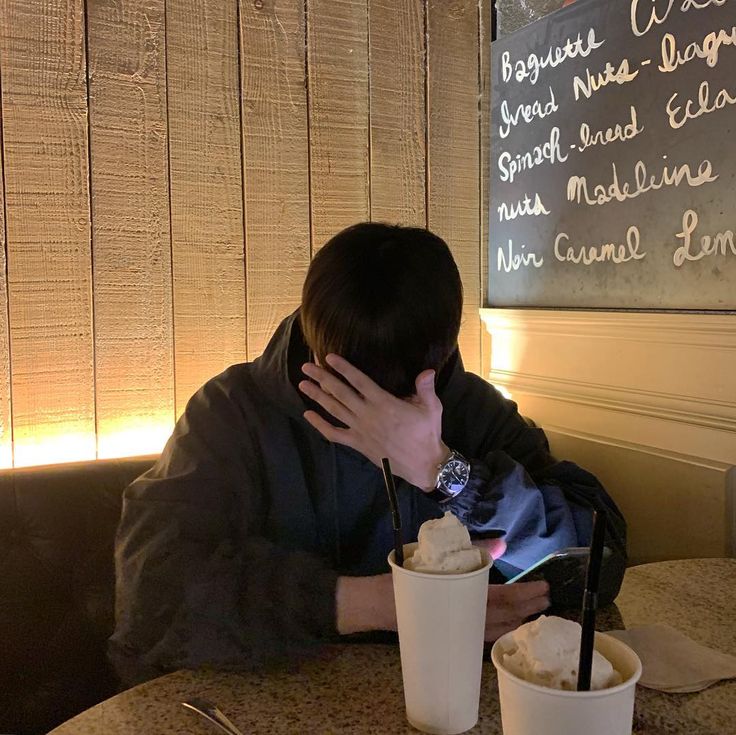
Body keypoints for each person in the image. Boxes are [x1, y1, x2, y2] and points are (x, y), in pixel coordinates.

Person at [110, 223, 626, 687]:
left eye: (394, 401)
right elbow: (152, 591)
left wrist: (445, 472)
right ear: (314, 347)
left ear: (440, 363)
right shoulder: (232, 411)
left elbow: (597, 559)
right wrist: (383, 604)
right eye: (345, 386)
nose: (368, 412)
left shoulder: (473, 410)